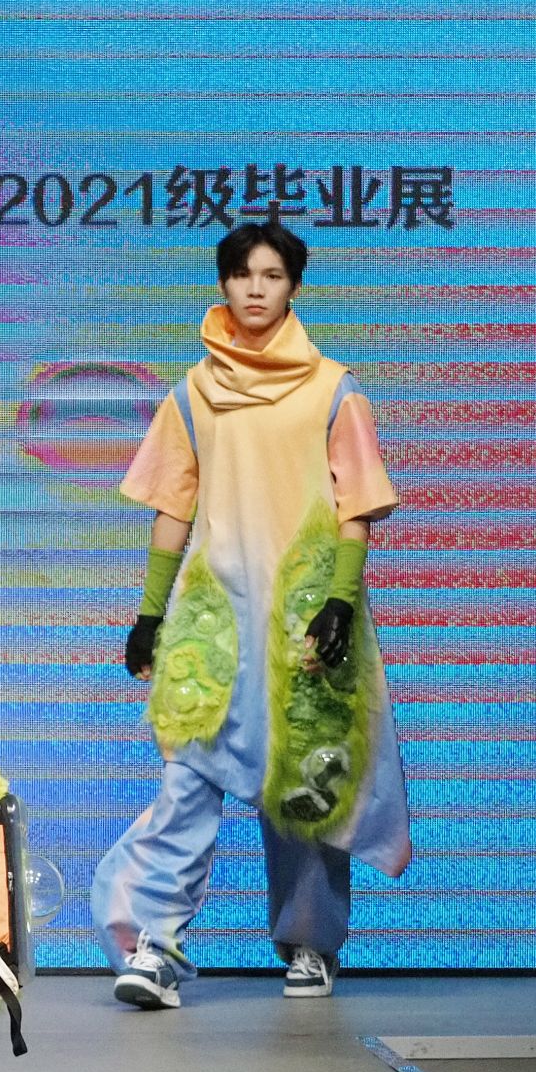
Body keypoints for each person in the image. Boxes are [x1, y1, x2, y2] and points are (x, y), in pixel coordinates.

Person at [95, 220, 410, 1009]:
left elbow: (355, 505)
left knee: (304, 779)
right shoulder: (193, 393)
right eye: (243, 275)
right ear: (223, 284)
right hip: (214, 617)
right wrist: (150, 614)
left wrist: (339, 601)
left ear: (294, 285)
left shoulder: (333, 389)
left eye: (272, 275)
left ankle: (309, 944)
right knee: (186, 779)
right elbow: (173, 505)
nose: (257, 288)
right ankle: (156, 944)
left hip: (305, 615)